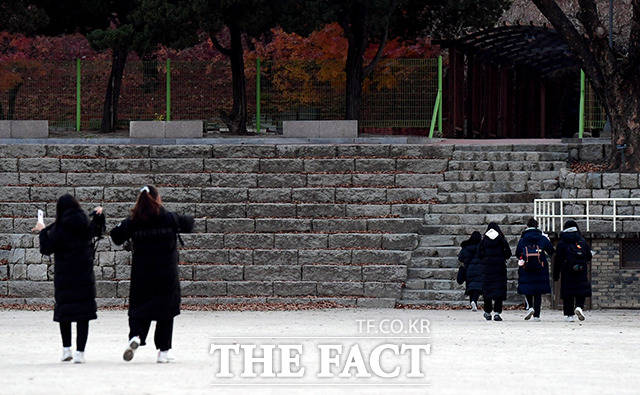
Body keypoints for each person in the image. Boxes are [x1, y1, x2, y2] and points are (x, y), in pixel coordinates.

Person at [110, 185, 194, 363]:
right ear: (157, 199)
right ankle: (163, 352)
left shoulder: (133, 220)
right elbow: (189, 223)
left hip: (142, 275)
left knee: (139, 310)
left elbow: (115, 236)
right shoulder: (169, 218)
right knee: (166, 311)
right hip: (166, 275)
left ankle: (135, 336)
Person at [33, 194, 105, 363]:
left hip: (64, 277)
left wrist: (42, 230)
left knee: (65, 312)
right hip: (84, 277)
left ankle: (66, 350)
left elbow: (46, 249)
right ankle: (80, 353)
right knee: (83, 314)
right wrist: (100, 215)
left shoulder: (58, 228)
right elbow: (98, 230)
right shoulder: (85, 223)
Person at [515, 218, 554, 321]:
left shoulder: (523, 239)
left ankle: (530, 307)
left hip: (526, 267)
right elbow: (551, 251)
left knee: (527, 287)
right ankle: (536, 316)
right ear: (537, 226)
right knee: (538, 291)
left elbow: (518, 252)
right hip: (540, 267)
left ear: (527, 226)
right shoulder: (542, 238)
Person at [554, 220, 592, 322]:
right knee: (581, 290)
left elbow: (557, 260)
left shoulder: (562, 242)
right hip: (581, 270)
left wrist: (555, 274)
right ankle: (579, 307)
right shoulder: (582, 240)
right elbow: (588, 256)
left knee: (568, 293)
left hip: (567, 271)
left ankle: (569, 315)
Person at [477, 223, 512, 321]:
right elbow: (508, 253)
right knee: (498, 290)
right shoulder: (501, 239)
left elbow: (479, 254)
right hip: (499, 269)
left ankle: (487, 312)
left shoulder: (484, 240)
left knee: (487, 291)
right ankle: (497, 312)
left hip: (487, 269)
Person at [457, 231, 483, 311]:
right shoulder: (482, 247)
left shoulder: (466, 247)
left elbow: (460, 258)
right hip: (480, 269)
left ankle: (472, 302)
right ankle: (474, 301)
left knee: (471, 286)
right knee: (477, 287)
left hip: (469, 269)